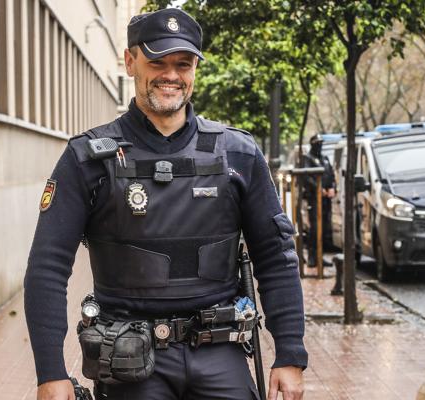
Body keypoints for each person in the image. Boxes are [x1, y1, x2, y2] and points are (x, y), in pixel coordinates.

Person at [25, 8, 307, 400]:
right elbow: (47, 267)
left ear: (194, 70)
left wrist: (290, 354)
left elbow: (276, 258)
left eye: (183, 63)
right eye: (157, 61)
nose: (171, 75)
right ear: (129, 62)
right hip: (129, 360)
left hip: (220, 354)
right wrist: (50, 373)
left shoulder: (237, 154)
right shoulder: (87, 158)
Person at [302, 134, 336, 267]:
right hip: (314, 199)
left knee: (325, 229)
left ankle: (320, 256)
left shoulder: (325, 158)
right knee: (315, 229)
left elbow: (332, 175)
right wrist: (318, 189)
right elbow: (306, 177)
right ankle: (312, 257)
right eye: (318, 143)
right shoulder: (307, 159)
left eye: (321, 143)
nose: (320, 145)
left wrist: (332, 188)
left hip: (326, 199)